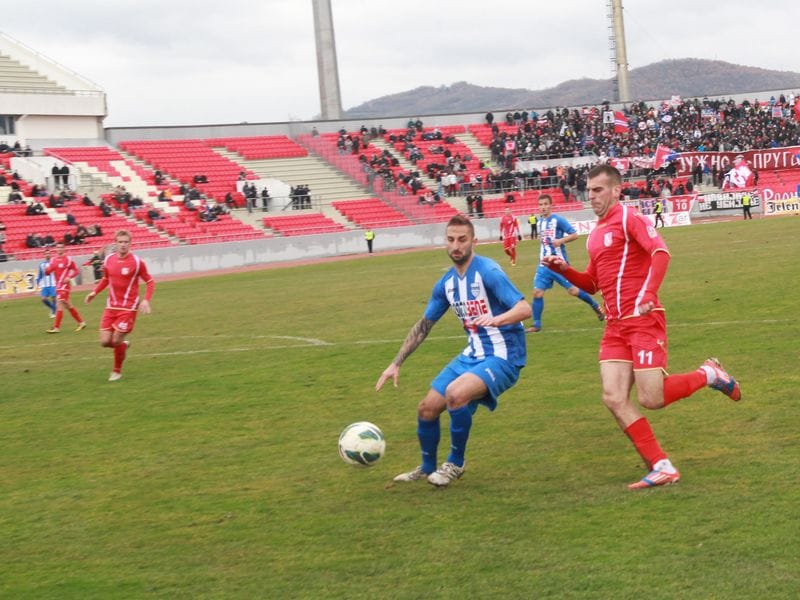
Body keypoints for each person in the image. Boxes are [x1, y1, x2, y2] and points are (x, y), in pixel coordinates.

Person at [543, 165, 741, 489]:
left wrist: (648, 292)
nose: (591, 195)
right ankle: (661, 465)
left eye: (598, 190)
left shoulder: (628, 218)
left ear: (616, 190)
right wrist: (565, 269)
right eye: (589, 190)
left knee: (651, 397)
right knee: (613, 396)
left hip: (642, 319)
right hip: (614, 326)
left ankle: (709, 374)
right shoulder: (595, 234)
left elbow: (661, 252)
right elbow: (592, 283)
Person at [376, 214, 531, 487]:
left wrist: (498, 319)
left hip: (504, 355)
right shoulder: (446, 284)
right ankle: (426, 467)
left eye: (462, 239)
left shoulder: (489, 272)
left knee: (455, 395)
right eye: (450, 240)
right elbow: (424, 325)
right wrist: (396, 363)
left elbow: (524, 308)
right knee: (426, 408)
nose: (456, 245)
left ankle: (455, 464)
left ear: (474, 241)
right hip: (473, 354)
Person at [527, 194, 604, 333]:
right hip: (544, 264)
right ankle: (536, 324)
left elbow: (574, 234)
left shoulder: (558, 220)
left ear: (551, 205)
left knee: (573, 291)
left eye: (545, 204)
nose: (543, 207)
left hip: (558, 264)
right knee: (537, 292)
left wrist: (560, 241)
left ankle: (595, 305)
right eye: (540, 205)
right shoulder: (539, 222)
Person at [85, 230, 155, 382]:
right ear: (115, 243)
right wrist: (94, 293)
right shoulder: (109, 259)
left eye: (126, 242)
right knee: (104, 342)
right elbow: (105, 279)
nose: (123, 245)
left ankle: (116, 371)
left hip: (128, 308)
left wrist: (146, 300)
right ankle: (123, 346)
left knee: (115, 340)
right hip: (111, 307)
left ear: (130, 243)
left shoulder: (137, 262)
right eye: (120, 242)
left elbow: (150, 281)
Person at [45, 243, 87, 333]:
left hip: (65, 285)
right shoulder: (53, 260)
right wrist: (47, 270)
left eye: (61, 247)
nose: (59, 249)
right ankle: (81, 322)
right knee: (68, 305)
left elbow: (76, 270)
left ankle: (56, 327)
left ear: (64, 249)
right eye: (58, 247)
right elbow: (48, 272)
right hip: (58, 286)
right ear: (56, 249)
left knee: (59, 303)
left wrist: (70, 277)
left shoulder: (68, 259)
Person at [36, 249, 57, 318]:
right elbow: (40, 275)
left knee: (54, 298)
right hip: (45, 285)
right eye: (46, 253)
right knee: (43, 299)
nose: (47, 255)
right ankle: (52, 308)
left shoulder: (54, 263)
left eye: (49, 253)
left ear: (50, 254)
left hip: (53, 284)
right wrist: (38, 282)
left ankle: (54, 312)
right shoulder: (41, 265)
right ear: (44, 255)